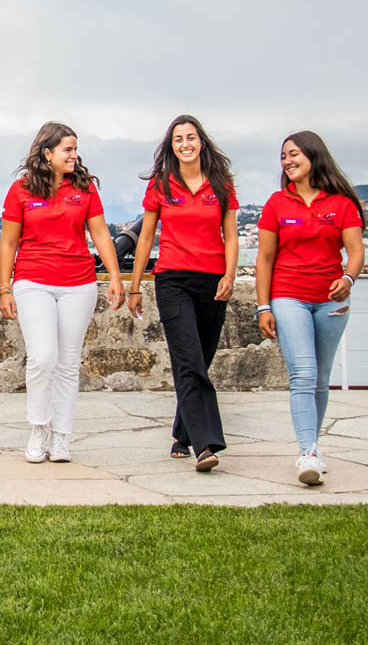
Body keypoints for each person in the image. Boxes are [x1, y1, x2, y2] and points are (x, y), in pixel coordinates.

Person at [0, 122, 125, 464]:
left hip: (78, 283)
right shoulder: (21, 190)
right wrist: (4, 287)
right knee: (42, 356)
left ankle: (61, 436)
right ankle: (39, 427)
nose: (74, 154)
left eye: (75, 148)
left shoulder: (84, 189)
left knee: (68, 363)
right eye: (68, 149)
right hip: (32, 281)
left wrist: (114, 277)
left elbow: (100, 236)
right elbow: (8, 242)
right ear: (47, 153)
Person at [127, 114, 238, 472]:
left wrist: (230, 275)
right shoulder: (161, 184)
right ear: (171, 146)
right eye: (178, 139)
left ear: (201, 141)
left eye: (190, 137)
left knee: (200, 360)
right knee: (188, 360)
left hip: (212, 280)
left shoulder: (221, 183)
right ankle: (205, 444)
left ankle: (181, 431)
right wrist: (135, 285)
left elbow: (231, 235)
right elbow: (146, 237)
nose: (185, 144)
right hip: (172, 279)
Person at [255, 131, 364, 486]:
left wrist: (348, 278)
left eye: (294, 154)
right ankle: (308, 451)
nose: (287, 161)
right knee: (302, 373)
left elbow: (355, 251)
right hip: (288, 296)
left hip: (331, 301)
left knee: (320, 377)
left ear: (314, 157)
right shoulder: (276, 204)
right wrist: (262, 306)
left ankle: (312, 447)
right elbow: (265, 259)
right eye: (283, 156)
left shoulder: (342, 203)